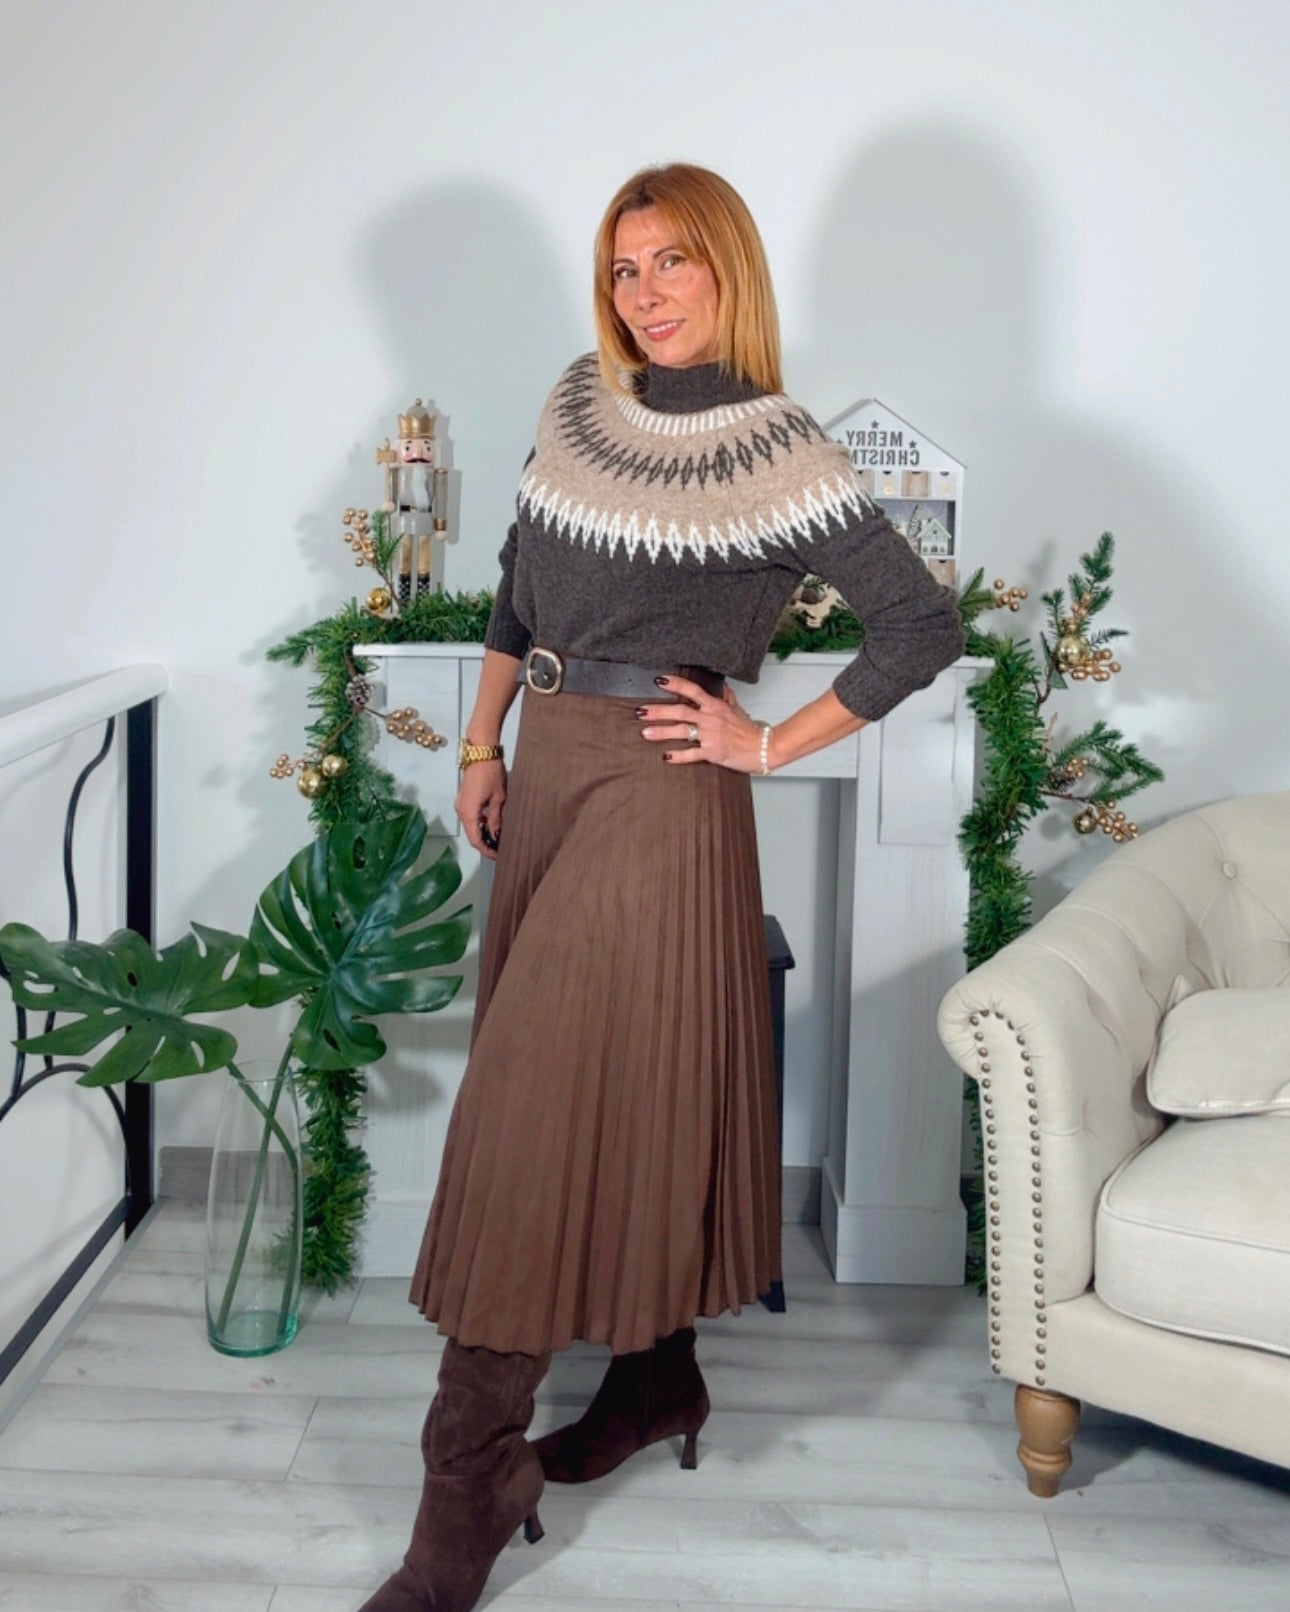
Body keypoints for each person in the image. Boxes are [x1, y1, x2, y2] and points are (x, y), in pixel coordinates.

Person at [358, 162, 965, 1612]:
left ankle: (462, 1496)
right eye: (625, 268)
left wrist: (766, 743)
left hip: (659, 790)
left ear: (727, 267)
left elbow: (918, 623)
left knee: (526, 1122)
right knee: (613, 1095)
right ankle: (655, 1381)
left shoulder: (778, 446)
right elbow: (518, 579)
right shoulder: (579, 401)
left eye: (673, 261)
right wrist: (481, 742)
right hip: (546, 770)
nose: (645, 292)